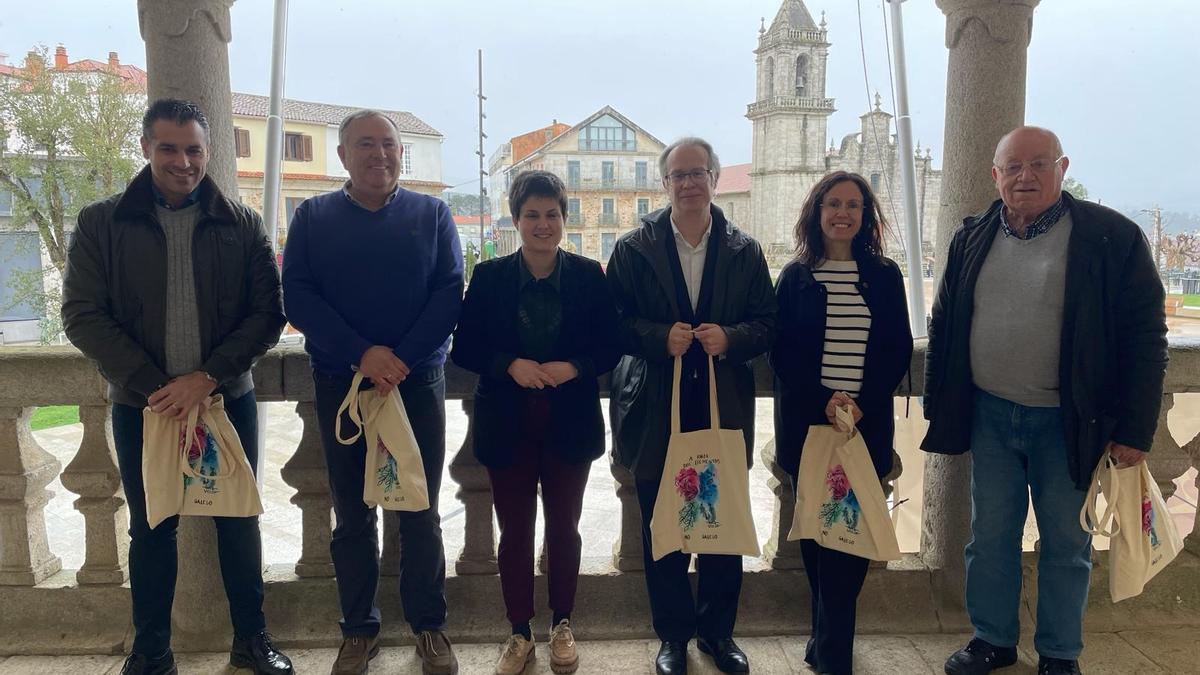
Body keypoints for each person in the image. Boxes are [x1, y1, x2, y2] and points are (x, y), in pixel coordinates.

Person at [922, 126, 1168, 675]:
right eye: (1012, 167)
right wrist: (941, 402)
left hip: (1070, 421)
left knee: (1066, 543)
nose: (1024, 177)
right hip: (990, 413)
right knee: (989, 539)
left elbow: (1145, 338)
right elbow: (944, 324)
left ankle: (1059, 652)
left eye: (1038, 165)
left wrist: (1135, 430)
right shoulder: (972, 237)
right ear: (996, 176)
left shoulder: (1110, 237)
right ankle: (992, 639)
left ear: (1062, 168)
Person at [61, 98, 292, 675]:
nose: (183, 161)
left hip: (225, 401)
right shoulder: (101, 222)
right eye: (169, 148)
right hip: (145, 409)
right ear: (145, 148)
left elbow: (268, 313)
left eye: (193, 149)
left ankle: (252, 642)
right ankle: (152, 652)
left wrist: (207, 377)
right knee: (152, 528)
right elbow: (82, 316)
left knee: (238, 524)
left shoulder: (241, 224)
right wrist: (155, 387)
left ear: (207, 152)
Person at [281, 109, 464, 675]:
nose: (380, 154)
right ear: (343, 155)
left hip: (416, 383)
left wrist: (401, 359)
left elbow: (449, 292)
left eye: (389, 144)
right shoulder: (313, 216)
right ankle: (359, 630)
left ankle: (429, 626)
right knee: (352, 513)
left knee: (421, 508)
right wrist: (364, 353)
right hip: (343, 383)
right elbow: (299, 297)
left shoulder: (432, 214)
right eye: (366, 145)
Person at [606, 137, 776, 675]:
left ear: (715, 179)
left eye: (697, 173)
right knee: (665, 526)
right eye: (678, 175)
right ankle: (673, 636)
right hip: (657, 407)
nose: (688, 184)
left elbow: (769, 324)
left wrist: (731, 337)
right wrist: (659, 337)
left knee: (721, 524)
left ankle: (718, 634)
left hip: (723, 404)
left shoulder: (746, 250)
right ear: (664, 184)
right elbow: (612, 324)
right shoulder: (633, 249)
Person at [451, 169, 620, 675]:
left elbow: (611, 344)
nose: (542, 225)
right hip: (507, 421)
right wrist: (510, 365)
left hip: (568, 419)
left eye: (551, 215)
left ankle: (562, 622)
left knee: (565, 528)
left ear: (564, 220)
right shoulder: (489, 276)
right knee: (516, 531)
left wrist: (574, 367)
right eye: (531, 215)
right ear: (516, 219)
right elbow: (466, 347)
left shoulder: (590, 275)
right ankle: (519, 629)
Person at [770, 171, 913, 675]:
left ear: (865, 216)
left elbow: (896, 348)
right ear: (817, 212)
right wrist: (825, 401)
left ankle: (834, 653)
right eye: (833, 203)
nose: (843, 213)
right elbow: (783, 355)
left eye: (854, 204)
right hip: (809, 425)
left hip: (864, 425)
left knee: (850, 541)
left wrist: (858, 403)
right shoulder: (795, 276)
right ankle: (823, 636)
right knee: (814, 536)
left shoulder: (885, 276)